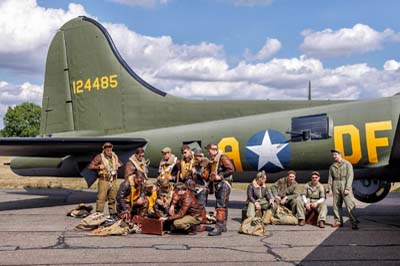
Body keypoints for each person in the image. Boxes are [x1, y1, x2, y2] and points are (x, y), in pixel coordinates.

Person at [206, 143, 234, 236]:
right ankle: (223, 226)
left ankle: (218, 227)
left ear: (214, 150)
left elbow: (231, 169)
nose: (208, 152)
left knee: (220, 206)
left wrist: (220, 176)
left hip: (224, 184)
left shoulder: (222, 157)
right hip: (218, 185)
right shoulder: (213, 160)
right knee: (223, 205)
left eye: (209, 150)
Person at [88, 142, 122, 216]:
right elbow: (90, 166)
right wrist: (98, 167)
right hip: (104, 180)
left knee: (112, 198)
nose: (109, 151)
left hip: (113, 180)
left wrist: (119, 165)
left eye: (110, 149)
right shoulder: (99, 157)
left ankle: (112, 214)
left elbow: (121, 163)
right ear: (104, 149)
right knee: (101, 198)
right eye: (107, 149)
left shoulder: (114, 156)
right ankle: (99, 214)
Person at [328, 149, 359, 229]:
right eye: (333, 155)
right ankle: (338, 221)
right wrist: (330, 189)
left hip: (344, 183)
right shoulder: (332, 166)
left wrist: (347, 188)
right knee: (336, 205)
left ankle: (354, 222)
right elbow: (330, 178)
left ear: (339, 154)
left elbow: (350, 176)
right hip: (336, 184)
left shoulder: (347, 164)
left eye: (335, 155)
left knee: (349, 204)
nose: (334, 156)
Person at [189, 148, 210, 223]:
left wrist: (196, 172)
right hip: (196, 186)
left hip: (203, 187)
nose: (197, 157)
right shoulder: (195, 163)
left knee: (201, 205)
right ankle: (199, 220)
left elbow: (205, 176)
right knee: (195, 205)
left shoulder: (206, 164)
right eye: (195, 156)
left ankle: (202, 221)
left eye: (198, 156)